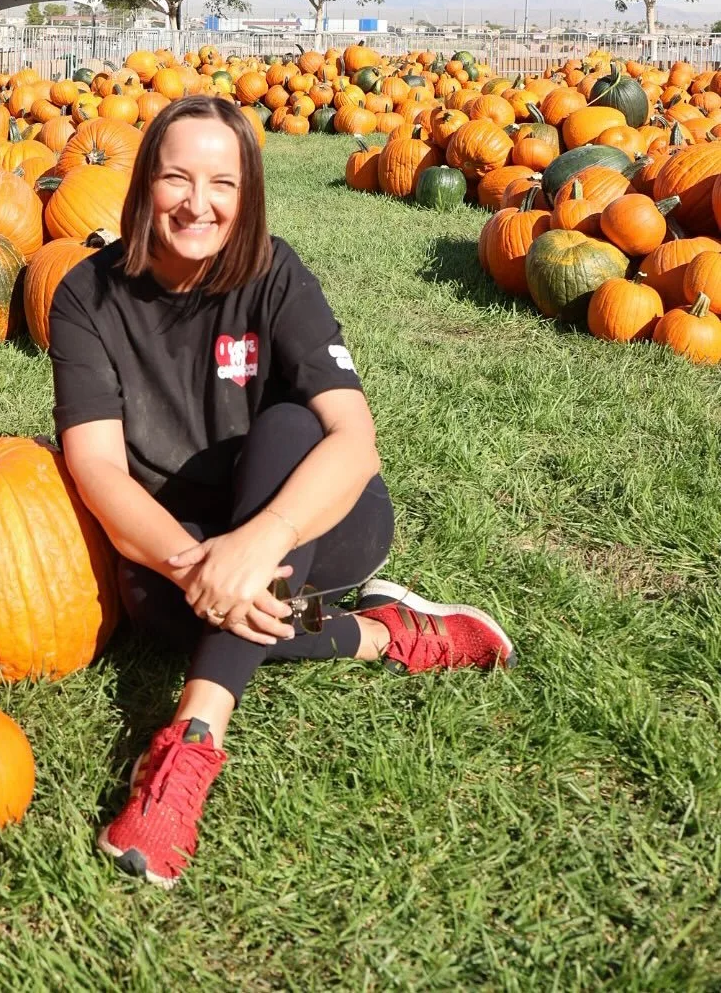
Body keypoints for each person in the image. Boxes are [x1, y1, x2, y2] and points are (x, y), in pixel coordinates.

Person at [48, 95, 515, 890]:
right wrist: (199, 566)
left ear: (248, 192)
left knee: (291, 425)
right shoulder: (85, 296)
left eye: (221, 182)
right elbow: (97, 470)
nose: (198, 202)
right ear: (142, 187)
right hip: (190, 536)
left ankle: (189, 744)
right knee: (155, 606)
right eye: (176, 178)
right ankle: (382, 634)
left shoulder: (275, 273)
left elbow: (353, 439)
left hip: (320, 520)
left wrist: (258, 543)